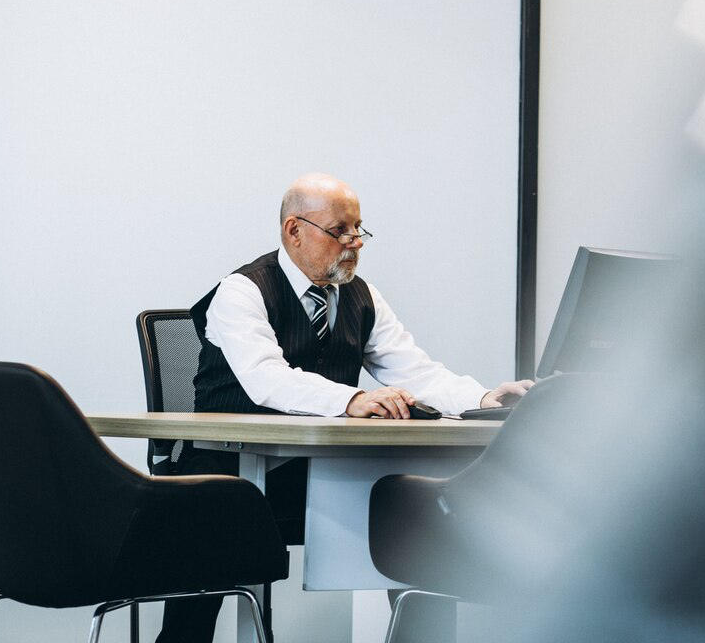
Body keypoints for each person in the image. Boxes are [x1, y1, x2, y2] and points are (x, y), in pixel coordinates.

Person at [156, 172, 532, 643]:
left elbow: (414, 371)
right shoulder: (242, 291)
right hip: (225, 470)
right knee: (210, 536)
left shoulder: (362, 295)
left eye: (359, 230)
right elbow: (266, 380)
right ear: (295, 230)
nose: (355, 242)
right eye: (341, 231)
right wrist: (353, 398)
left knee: (413, 511)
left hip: (312, 472)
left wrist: (484, 399)